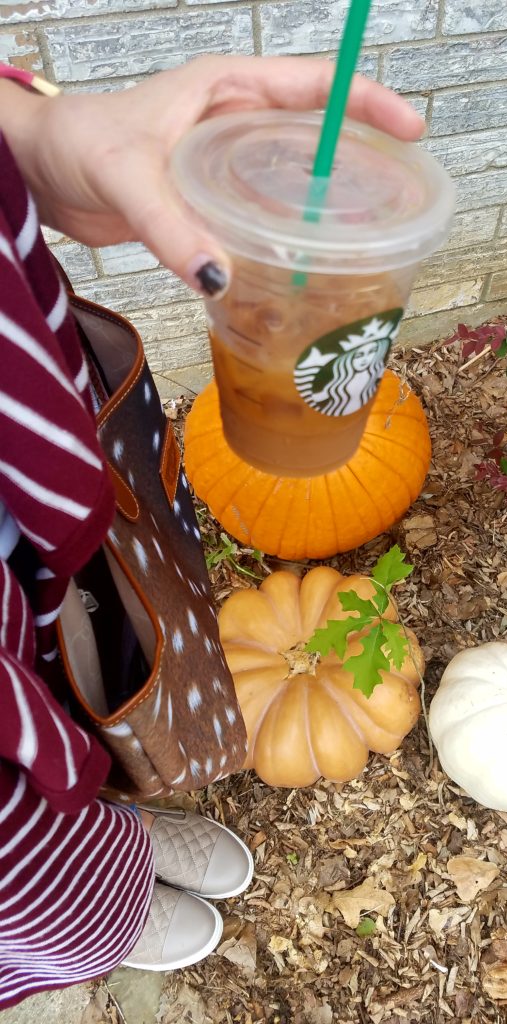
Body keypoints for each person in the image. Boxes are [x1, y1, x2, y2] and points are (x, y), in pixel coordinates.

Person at [0, 55, 425, 1008]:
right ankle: (91, 909)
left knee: (70, 660)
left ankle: (100, 825)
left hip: (16, 468)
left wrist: (23, 132)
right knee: (25, 866)